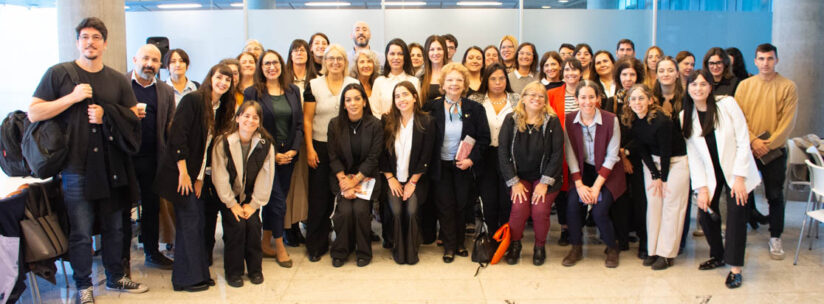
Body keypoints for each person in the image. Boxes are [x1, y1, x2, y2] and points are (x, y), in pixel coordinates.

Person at [29, 17, 148, 303]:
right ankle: (84, 286)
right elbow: (34, 112)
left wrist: (107, 114)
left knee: (115, 228)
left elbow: (132, 116)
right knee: (81, 231)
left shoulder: (117, 79)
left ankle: (116, 277)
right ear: (77, 42)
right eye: (84, 37)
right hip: (76, 168)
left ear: (105, 44)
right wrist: (71, 99)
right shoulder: (59, 74)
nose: (90, 42)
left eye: (96, 37)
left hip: (112, 167)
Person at [156, 63, 235, 292]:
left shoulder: (219, 107)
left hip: (196, 175)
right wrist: (184, 173)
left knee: (197, 223)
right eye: (219, 77)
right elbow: (178, 137)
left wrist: (199, 178)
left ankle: (199, 274)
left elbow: (207, 148)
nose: (223, 83)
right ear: (211, 77)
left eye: (227, 80)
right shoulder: (193, 100)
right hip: (180, 173)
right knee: (189, 224)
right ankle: (184, 279)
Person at [681, 69, 761, 289]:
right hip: (710, 174)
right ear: (687, 88)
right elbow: (694, 156)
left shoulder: (727, 105)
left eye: (703, 84)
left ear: (710, 87)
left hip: (736, 171)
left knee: (736, 215)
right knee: (706, 212)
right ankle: (718, 255)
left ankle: (735, 268)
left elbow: (743, 141)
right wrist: (701, 188)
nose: (698, 88)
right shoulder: (685, 115)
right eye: (694, 84)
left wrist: (739, 178)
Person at [734, 43, 798, 261]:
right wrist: (753, 141)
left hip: (774, 151)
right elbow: (739, 118)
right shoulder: (744, 86)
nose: (765, 63)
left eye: (770, 59)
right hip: (748, 149)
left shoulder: (788, 86)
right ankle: (739, 237)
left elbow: (787, 123)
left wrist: (767, 145)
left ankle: (776, 237)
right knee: (744, 195)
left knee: (774, 194)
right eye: (761, 59)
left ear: (777, 60)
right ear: (755, 61)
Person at [425, 62, 490, 263]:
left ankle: (461, 242)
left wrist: (471, 160)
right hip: (440, 165)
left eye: (459, 80)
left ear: (465, 85)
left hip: (463, 165)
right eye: (450, 80)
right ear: (442, 84)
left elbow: (484, 139)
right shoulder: (431, 107)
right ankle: (449, 245)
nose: (454, 84)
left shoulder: (475, 108)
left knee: (462, 205)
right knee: (445, 205)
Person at [244, 50, 303, 267]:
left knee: (274, 202)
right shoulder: (252, 92)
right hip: (265, 157)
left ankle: (265, 242)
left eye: (275, 62)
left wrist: (294, 150)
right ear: (261, 67)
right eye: (267, 63)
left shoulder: (293, 90)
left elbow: (298, 125)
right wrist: (272, 153)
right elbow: (252, 126)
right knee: (277, 202)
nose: (271, 67)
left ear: (281, 65)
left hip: (288, 157)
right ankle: (279, 246)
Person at [620, 84, 689, 270]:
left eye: (641, 98)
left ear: (650, 100)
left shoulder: (661, 120)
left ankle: (666, 254)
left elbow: (666, 151)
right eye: (633, 99)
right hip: (653, 163)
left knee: (671, 208)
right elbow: (642, 149)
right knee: (654, 206)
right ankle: (653, 250)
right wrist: (654, 174)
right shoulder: (633, 119)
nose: (637, 102)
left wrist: (663, 179)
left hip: (675, 163)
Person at [303, 44, 360, 262]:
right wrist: (309, 148)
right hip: (320, 146)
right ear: (324, 61)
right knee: (320, 198)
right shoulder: (314, 85)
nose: (335, 62)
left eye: (340, 58)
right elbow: (307, 119)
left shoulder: (353, 84)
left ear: (345, 62)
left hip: (348, 148)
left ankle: (349, 242)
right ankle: (316, 245)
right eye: (331, 58)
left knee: (348, 195)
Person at [561, 80, 626, 268]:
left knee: (599, 211)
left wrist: (597, 187)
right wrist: (579, 184)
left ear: (598, 98)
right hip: (582, 171)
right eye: (583, 97)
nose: (587, 102)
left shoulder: (610, 119)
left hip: (608, 172)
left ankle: (612, 248)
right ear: (576, 99)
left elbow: (612, 156)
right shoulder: (569, 119)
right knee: (572, 205)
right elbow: (570, 153)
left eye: (591, 97)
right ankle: (576, 247)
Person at [498, 81, 564, 266]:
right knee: (519, 209)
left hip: (545, 178)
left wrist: (544, 183)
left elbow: (557, 154)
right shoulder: (511, 119)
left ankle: (539, 247)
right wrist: (514, 182)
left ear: (545, 100)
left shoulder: (552, 121)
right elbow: (503, 152)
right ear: (523, 98)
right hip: (519, 178)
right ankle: (515, 245)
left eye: (540, 96)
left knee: (540, 210)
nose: (536, 98)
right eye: (531, 95)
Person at [210, 101, 275, 287]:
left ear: (260, 121)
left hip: (250, 198)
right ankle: (234, 272)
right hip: (227, 197)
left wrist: (254, 205)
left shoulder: (266, 144)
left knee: (254, 227)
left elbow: (266, 176)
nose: (250, 120)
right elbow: (219, 175)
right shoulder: (223, 142)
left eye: (255, 117)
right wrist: (232, 204)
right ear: (237, 118)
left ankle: (255, 270)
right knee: (236, 228)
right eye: (246, 115)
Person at [130, 44, 176, 270]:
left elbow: (170, 124)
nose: (149, 64)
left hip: (153, 158)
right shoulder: (121, 85)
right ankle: (120, 260)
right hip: (126, 159)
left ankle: (151, 251)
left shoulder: (166, 91)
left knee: (151, 208)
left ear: (160, 65)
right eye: (145, 59)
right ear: (135, 59)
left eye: (155, 60)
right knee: (120, 210)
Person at [328, 83, 384, 267]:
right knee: (344, 212)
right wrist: (344, 181)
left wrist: (356, 180)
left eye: (357, 99)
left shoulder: (375, 124)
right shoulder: (335, 124)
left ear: (364, 102)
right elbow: (333, 156)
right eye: (348, 99)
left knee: (360, 210)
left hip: (366, 177)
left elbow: (374, 157)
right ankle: (340, 251)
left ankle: (363, 251)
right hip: (342, 178)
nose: (353, 103)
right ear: (343, 104)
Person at [380, 81, 435, 265]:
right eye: (397, 96)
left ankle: (411, 250)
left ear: (414, 97)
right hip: (393, 179)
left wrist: (412, 182)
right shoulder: (387, 121)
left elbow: (427, 155)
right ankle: (398, 248)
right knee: (395, 210)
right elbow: (381, 154)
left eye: (405, 94)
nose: (401, 99)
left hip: (416, 180)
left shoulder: (426, 121)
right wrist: (390, 178)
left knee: (411, 211)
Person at [468, 63, 518, 237]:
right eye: (493, 78)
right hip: (484, 155)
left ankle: (504, 238)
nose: (498, 82)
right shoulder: (476, 99)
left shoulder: (516, 99)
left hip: (509, 156)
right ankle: (490, 237)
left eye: (502, 78)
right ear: (486, 80)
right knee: (488, 200)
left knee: (506, 200)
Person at [605, 57, 647, 256]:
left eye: (632, 74)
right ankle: (620, 239)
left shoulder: (643, 98)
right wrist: (621, 156)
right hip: (616, 157)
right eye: (624, 74)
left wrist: (628, 154)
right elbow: (608, 132)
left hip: (639, 157)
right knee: (619, 199)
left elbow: (644, 132)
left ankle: (644, 242)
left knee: (640, 200)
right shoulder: (612, 102)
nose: (628, 78)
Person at [546, 58, 583, 244]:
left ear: (581, 73)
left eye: (575, 70)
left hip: (582, 150)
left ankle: (578, 226)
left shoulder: (587, 92)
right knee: (561, 190)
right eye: (567, 69)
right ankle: (564, 228)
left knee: (578, 189)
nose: (570, 73)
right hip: (559, 149)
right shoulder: (552, 94)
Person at [370, 38, 420, 117]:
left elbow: (417, 110)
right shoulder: (379, 82)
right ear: (387, 56)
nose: (396, 57)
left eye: (400, 54)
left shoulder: (414, 81)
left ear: (405, 57)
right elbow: (374, 111)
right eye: (392, 54)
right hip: (383, 127)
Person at [420, 35, 447, 103]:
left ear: (444, 51)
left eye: (439, 49)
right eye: (432, 49)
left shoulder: (452, 74)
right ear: (427, 52)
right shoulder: (421, 77)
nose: (436, 53)